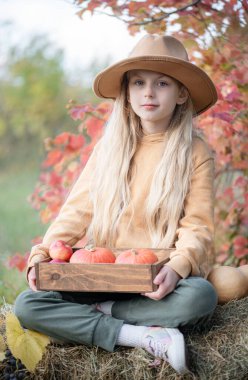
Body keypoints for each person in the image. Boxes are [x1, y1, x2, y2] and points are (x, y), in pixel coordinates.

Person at [14, 34, 218, 375]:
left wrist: (179, 266)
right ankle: (139, 335)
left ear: (182, 93)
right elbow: (75, 213)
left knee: (201, 296)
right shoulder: (109, 150)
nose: (148, 93)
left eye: (162, 83)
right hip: (102, 273)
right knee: (29, 305)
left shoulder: (194, 153)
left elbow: (197, 225)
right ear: (127, 93)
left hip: (156, 280)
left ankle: (101, 314)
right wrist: (42, 254)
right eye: (138, 83)